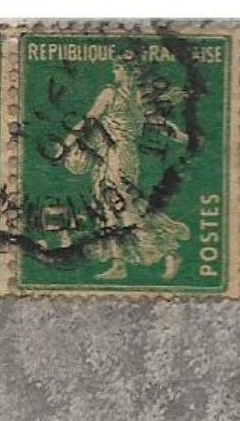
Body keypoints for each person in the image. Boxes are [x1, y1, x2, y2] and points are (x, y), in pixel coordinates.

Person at [58, 56, 189, 281]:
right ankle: (119, 264)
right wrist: (181, 136)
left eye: (117, 68)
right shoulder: (138, 99)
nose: (115, 72)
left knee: (124, 208)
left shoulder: (111, 93)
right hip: (120, 155)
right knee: (110, 208)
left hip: (116, 156)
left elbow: (89, 122)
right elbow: (160, 124)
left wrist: (66, 145)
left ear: (125, 71)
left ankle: (169, 253)